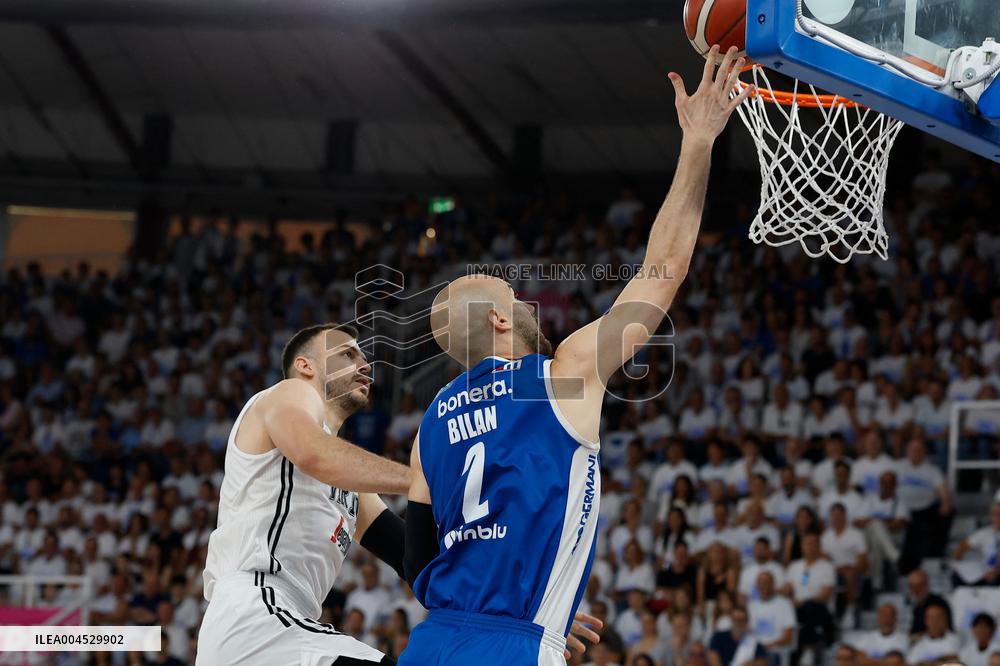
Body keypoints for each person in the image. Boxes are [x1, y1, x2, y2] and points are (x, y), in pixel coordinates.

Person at [400, 45, 752, 666]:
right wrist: (699, 141)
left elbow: (417, 559)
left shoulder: (428, 427)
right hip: (513, 648)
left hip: (432, 643)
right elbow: (663, 272)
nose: (532, 306)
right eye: (519, 298)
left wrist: (521, 604)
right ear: (502, 319)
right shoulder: (561, 374)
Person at [197, 324, 410, 665]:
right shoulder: (289, 393)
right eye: (348, 354)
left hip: (277, 626)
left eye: (363, 356)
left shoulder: (346, 477)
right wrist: (421, 480)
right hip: (257, 611)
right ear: (306, 366)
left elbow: (409, 556)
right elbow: (314, 454)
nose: (366, 364)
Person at [783, 532, 835, 664]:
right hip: (796, 608)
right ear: (802, 547)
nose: (810, 547)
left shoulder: (827, 567)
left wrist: (803, 602)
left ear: (819, 547)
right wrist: (790, 599)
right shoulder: (794, 566)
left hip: (819, 609)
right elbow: (787, 589)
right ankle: (800, 652)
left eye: (814, 544)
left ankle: (807, 650)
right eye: (807, 544)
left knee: (810, 609)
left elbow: (825, 595)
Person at [746, 572, 795, 664]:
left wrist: (767, 646)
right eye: (761, 583)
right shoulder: (751, 605)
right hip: (754, 651)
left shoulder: (785, 604)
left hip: (775, 651)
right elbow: (748, 633)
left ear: (773, 584)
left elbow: (788, 637)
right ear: (756, 585)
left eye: (766, 582)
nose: (763, 586)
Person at [951, 503, 1000, 585]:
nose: (996, 517)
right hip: (985, 571)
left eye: (998, 514)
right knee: (956, 577)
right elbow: (963, 546)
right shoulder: (985, 532)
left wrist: (996, 572)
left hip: (997, 573)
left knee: (994, 581)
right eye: (993, 514)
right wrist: (956, 561)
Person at [906, 569, 952, 637]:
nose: (915, 590)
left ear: (926, 585)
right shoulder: (917, 607)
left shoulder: (939, 604)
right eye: (912, 586)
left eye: (919, 585)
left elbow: (941, 631)